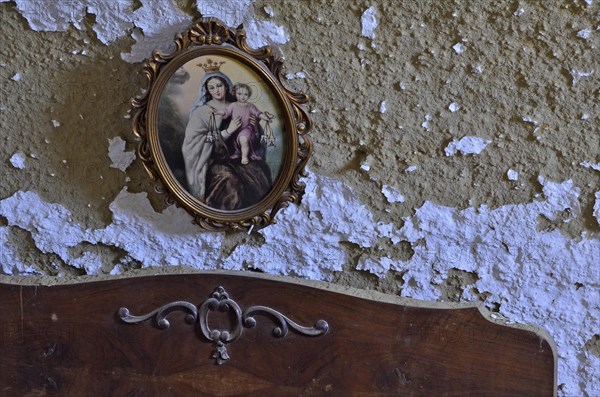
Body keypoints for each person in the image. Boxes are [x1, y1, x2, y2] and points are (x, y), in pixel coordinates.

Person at [181, 69, 272, 210]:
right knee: (229, 180)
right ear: (207, 90)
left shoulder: (240, 105)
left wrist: (254, 128)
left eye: (219, 86)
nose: (216, 90)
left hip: (241, 157)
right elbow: (194, 142)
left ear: (226, 86)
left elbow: (256, 139)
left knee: (258, 175)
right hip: (216, 161)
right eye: (212, 88)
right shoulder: (202, 112)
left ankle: (253, 213)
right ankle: (221, 216)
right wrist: (228, 131)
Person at [214, 83, 274, 165]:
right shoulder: (233, 105)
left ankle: (244, 156)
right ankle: (238, 153)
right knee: (236, 142)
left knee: (243, 139)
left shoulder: (250, 106)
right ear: (235, 94)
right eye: (240, 94)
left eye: (245, 94)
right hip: (236, 129)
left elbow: (258, 113)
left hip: (247, 129)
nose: (242, 96)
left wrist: (266, 118)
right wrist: (217, 112)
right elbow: (226, 111)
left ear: (249, 96)